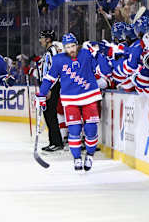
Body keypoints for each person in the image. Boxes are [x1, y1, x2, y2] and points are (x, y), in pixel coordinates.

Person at [35, 33, 101, 171]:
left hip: (90, 95)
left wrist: (98, 52)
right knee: (74, 130)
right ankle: (77, 158)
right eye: (67, 47)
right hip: (70, 99)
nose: (71, 49)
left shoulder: (86, 53)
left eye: (72, 46)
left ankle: (89, 155)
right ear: (63, 47)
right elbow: (49, 78)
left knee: (91, 129)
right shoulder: (58, 59)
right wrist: (41, 95)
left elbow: (100, 66)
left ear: (77, 45)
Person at [37, 30, 63, 152]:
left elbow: (55, 70)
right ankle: (53, 141)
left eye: (42, 38)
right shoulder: (49, 51)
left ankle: (57, 142)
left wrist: (49, 88)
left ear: (48, 39)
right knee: (48, 114)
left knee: (51, 114)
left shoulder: (52, 50)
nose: (40, 40)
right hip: (49, 86)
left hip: (52, 87)